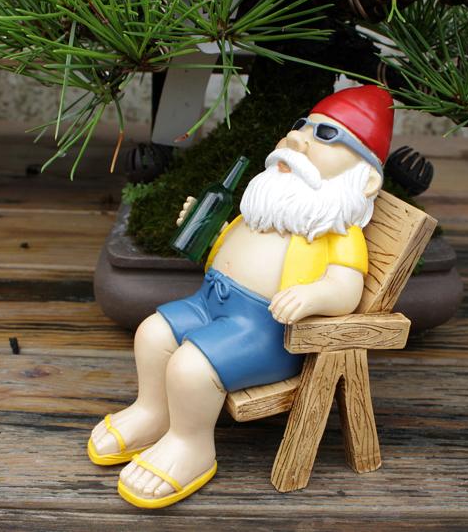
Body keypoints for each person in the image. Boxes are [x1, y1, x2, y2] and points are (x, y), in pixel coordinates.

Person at [87, 85, 394, 508]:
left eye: (325, 136)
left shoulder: (338, 232)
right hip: (209, 302)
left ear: (367, 178)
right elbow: (228, 251)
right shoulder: (266, 208)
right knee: (152, 334)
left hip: (264, 331)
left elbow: (346, 287)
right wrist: (207, 230)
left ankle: (190, 444)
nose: (296, 139)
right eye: (301, 126)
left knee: (191, 368)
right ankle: (152, 412)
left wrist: (314, 295)